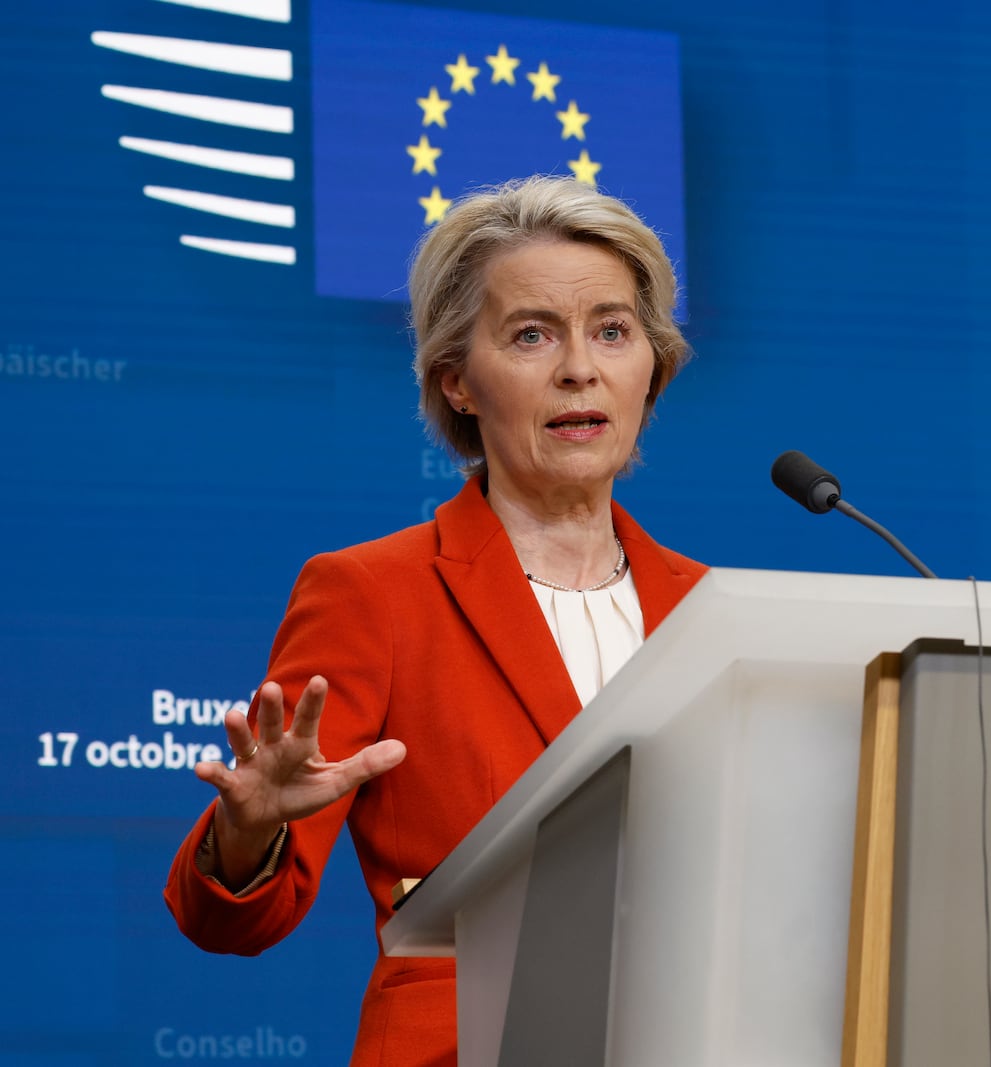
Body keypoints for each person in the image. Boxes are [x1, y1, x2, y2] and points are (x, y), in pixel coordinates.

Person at [164, 176, 707, 1066]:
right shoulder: (373, 592)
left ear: (651, 366)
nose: (581, 367)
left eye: (612, 330)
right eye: (532, 334)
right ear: (457, 380)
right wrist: (251, 827)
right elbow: (229, 920)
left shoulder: (708, 609)